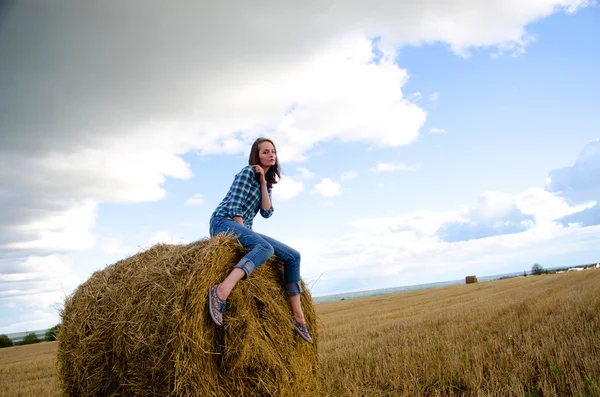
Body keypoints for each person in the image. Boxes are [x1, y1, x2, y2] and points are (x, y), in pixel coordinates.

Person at [207, 137, 313, 344]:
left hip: (243, 227)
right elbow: (235, 207)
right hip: (223, 222)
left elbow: (267, 212)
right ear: (256, 156)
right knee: (264, 248)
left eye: (272, 151)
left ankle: (298, 317)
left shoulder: (265, 180)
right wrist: (240, 238)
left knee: (293, 256)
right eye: (265, 152)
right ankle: (221, 290)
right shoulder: (247, 172)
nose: (271, 154)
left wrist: (264, 183)